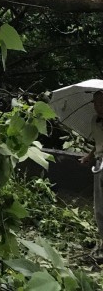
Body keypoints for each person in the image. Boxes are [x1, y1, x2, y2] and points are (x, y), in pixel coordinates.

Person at [80, 90, 103, 258]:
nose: (97, 106)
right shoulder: (95, 120)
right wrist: (90, 155)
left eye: (101, 103)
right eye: (95, 103)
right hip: (99, 162)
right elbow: (99, 141)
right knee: (99, 206)